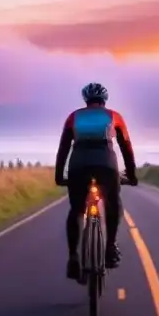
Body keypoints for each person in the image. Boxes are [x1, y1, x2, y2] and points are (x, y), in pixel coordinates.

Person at [54, 82, 138, 280]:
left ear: (86, 100)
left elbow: (63, 149)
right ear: (103, 101)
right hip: (106, 166)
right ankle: (110, 247)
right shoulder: (114, 116)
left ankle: (73, 257)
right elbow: (126, 147)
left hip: (78, 167)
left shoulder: (73, 117)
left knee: (76, 210)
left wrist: (59, 176)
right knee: (113, 202)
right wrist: (132, 175)